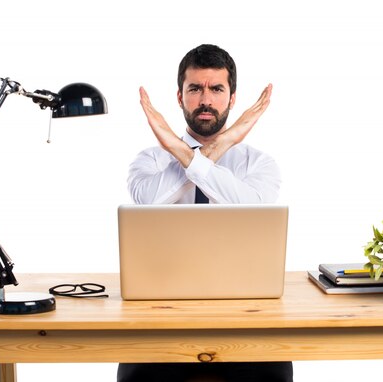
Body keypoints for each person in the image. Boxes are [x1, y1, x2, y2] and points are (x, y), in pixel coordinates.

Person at [121, 44, 291, 382]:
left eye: (216, 89)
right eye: (195, 88)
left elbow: (251, 210)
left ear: (232, 98)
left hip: (244, 314)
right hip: (160, 315)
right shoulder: (149, 160)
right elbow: (148, 203)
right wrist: (204, 151)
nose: (205, 99)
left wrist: (191, 151)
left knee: (275, 372)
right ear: (180, 97)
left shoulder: (259, 164)